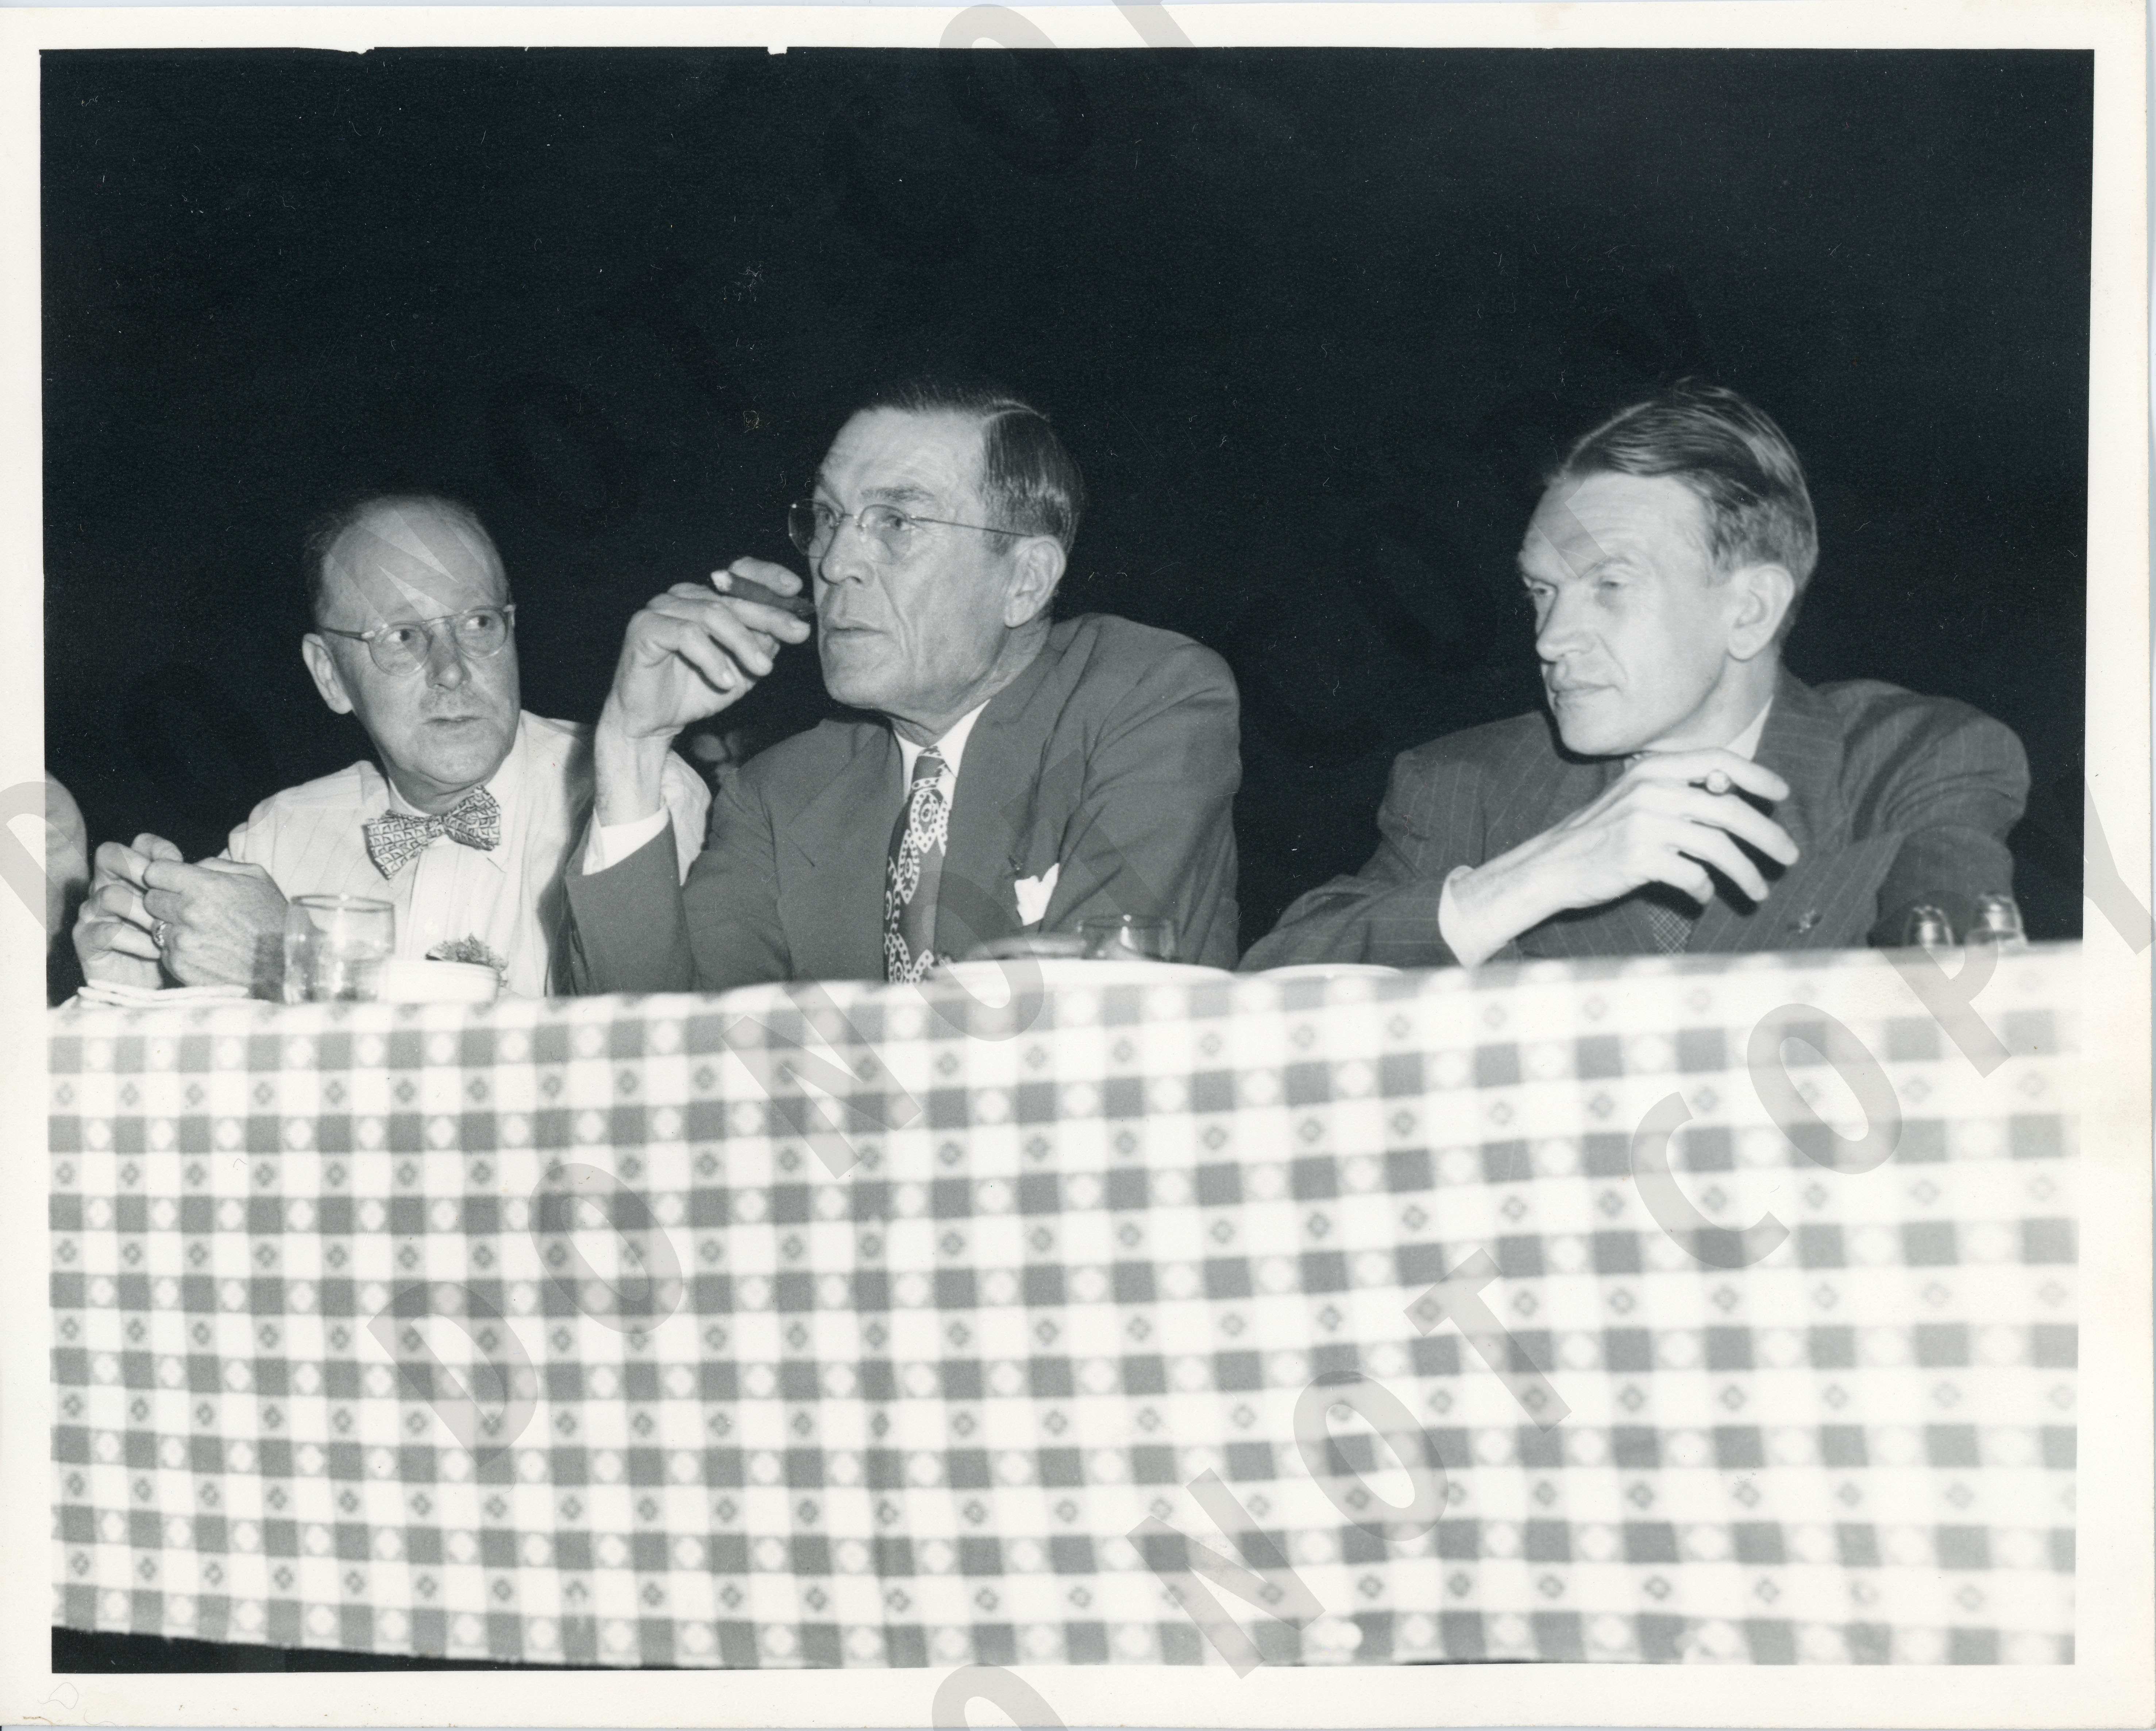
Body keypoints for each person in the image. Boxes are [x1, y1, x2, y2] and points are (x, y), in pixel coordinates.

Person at [1242, 382, 2028, 969]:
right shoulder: (1464, 784)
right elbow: (1270, 996)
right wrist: (1531, 877)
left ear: (1750, 610)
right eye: (1541, 591)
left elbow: (1965, 964)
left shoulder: (1908, 758)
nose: (1551, 638)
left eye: (1609, 584)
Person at [565, 380, 1242, 991]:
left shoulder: (1148, 697)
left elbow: (1088, 1021)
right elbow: (659, 1049)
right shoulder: (779, 793)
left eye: (896, 522)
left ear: (1025, 581)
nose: (834, 563)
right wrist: (634, 742)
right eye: (827, 517)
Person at [73, 494, 707, 999]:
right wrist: (140, 996)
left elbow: (635, 1063)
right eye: (401, 636)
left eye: (478, 623)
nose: (452, 670)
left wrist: (290, 963)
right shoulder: (277, 838)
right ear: (330, 675)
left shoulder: (637, 795)